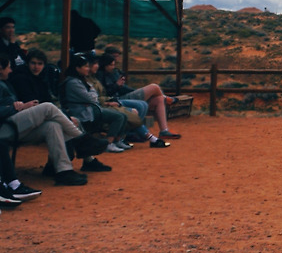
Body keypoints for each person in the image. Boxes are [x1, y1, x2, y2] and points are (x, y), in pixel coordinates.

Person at [0, 54, 89, 188]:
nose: (10, 70)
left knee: (52, 126)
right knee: (48, 107)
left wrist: (21, 106)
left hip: (13, 125)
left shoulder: (7, 82)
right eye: (8, 67)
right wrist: (14, 107)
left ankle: (63, 171)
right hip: (5, 128)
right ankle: (80, 139)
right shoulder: (15, 80)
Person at [59, 53, 121, 173]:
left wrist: (92, 94)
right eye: (85, 66)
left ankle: (90, 160)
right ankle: (93, 155)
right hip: (79, 113)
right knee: (83, 134)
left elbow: (93, 97)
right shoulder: (73, 82)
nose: (88, 69)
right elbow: (91, 98)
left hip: (87, 111)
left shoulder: (80, 80)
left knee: (118, 116)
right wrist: (92, 92)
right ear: (77, 68)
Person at [96, 53, 171, 148]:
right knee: (154, 88)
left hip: (116, 98)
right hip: (112, 100)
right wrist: (117, 86)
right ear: (104, 64)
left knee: (152, 101)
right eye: (111, 65)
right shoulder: (100, 75)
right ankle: (148, 137)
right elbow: (105, 93)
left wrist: (123, 87)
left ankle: (161, 131)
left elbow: (122, 88)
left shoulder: (112, 73)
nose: (113, 67)